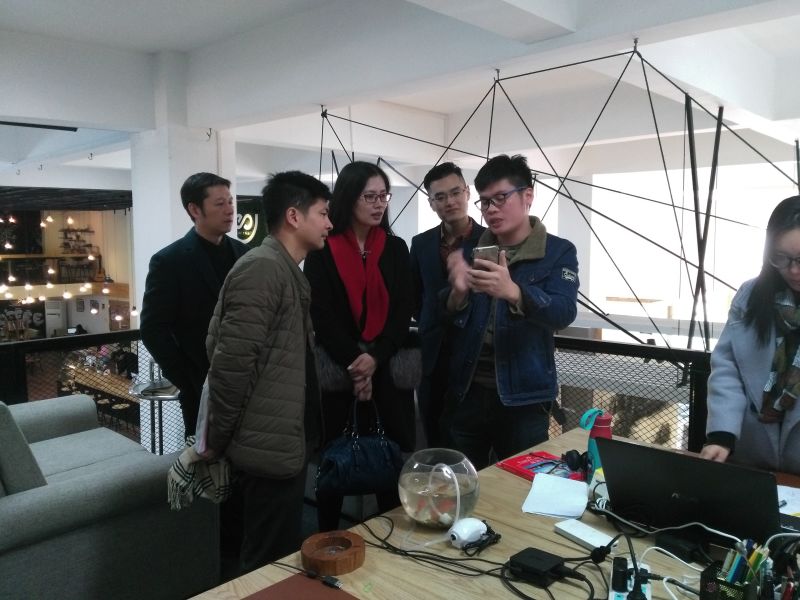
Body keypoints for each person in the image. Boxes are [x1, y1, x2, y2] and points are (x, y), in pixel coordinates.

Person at [204, 171, 332, 572]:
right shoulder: (263, 269)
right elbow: (231, 368)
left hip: (280, 440)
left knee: (277, 554)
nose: (329, 224)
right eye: (323, 213)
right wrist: (216, 442)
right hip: (265, 447)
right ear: (294, 216)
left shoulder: (283, 268)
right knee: (266, 563)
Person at [441, 154, 579, 470]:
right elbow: (446, 315)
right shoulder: (471, 250)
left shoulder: (557, 252)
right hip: (468, 391)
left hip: (524, 398)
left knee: (521, 485)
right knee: (463, 482)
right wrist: (457, 293)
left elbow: (563, 312)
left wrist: (514, 292)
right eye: (484, 202)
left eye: (501, 198)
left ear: (528, 196)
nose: (491, 209)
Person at [304, 161, 415, 531]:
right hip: (339, 370)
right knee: (336, 458)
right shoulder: (323, 250)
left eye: (383, 196)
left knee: (387, 455)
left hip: (386, 370)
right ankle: (328, 539)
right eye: (370, 196)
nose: (379, 203)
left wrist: (374, 359)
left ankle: (391, 536)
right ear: (349, 199)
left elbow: (402, 311)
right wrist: (356, 361)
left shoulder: (395, 248)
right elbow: (321, 315)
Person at [140, 172, 248, 438]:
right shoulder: (169, 261)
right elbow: (153, 329)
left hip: (247, 378)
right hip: (201, 384)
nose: (229, 210)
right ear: (194, 209)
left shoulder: (244, 253)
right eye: (219, 204)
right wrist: (187, 379)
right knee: (204, 452)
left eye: (230, 202)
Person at [701, 195, 800, 474]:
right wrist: (722, 434)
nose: (793, 270)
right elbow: (728, 366)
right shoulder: (751, 295)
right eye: (781, 258)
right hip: (751, 459)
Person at [410, 162, 485, 447]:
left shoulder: (489, 240)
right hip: (432, 355)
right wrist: (429, 320)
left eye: (455, 193)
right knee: (432, 435)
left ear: (467, 193)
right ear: (431, 203)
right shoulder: (421, 243)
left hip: (474, 357)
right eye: (440, 197)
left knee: (471, 442)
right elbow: (415, 296)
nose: (449, 201)